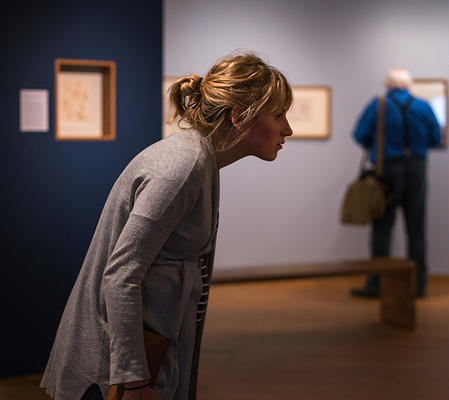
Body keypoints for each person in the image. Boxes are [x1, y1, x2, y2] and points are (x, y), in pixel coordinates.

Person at [40, 51, 293, 400]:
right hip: (113, 374)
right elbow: (120, 276)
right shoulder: (182, 167)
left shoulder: (200, 161)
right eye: (279, 115)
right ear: (240, 117)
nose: (288, 129)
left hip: (150, 359)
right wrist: (134, 381)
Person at [350, 68, 441, 299]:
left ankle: (377, 284)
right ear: (408, 85)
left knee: (382, 229)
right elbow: (436, 139)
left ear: (387, 85)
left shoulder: (378, 105)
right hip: (416, 170)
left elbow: (360, 135)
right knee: (416, 229)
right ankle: (418, 284)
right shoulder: (423, 106)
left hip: (386, 170)